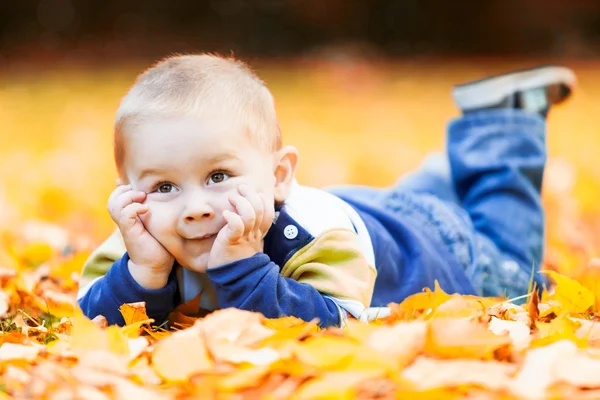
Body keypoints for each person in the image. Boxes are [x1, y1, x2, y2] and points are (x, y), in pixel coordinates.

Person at [77, 55, 576, 327]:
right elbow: (92, 322)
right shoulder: (141, 236)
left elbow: (336, 322)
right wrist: (142, 274)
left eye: (218, 177)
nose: (195, 209)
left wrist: (243, 268)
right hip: (361, 209)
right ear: (130, 194)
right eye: (164, 185)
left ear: (277, 177)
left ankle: (504, 122)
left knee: (515, 273)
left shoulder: (315, 240)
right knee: (410, 204)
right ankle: (443, 174)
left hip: (424, 244)